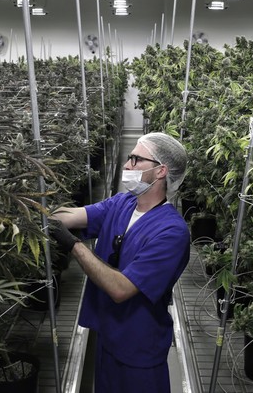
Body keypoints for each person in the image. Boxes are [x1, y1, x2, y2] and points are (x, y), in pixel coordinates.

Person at [49, 132, 190, 393]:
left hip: (139, 351)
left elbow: (121, 289)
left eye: (136, 160)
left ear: (161, 171)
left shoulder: (172, 232)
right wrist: (38, 208)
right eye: (129, 158)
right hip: (108, 338)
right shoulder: (122, 204)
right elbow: (71, 216)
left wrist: (74, 245)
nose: (127, 165)